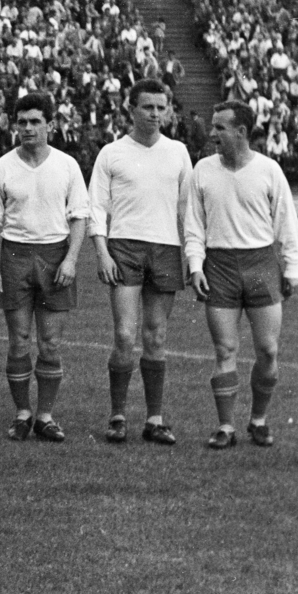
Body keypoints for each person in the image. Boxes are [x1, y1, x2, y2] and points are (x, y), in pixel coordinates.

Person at [185, 101, 298, 449]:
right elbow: (193, 225)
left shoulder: (268, 170)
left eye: (220, 127)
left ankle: (259, 420)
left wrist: (292, 266)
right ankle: (225, 426)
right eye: (213, 126)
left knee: (267, 350)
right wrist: (195, 265)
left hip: (260, 265)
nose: (212, 134)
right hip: (219, 266)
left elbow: (286, 221)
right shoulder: (203, 171)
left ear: (241, 132)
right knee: (225, 349)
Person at [0, 92, 88, 442]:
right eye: (22, 122)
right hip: (15, 256)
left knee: (51, 343)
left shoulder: (67, 165)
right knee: (18, 341)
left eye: (35, 121)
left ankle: (46, 415)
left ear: (50, 125)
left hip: (55, 255)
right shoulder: (2, 167)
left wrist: (71, 259)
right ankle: (22, 413)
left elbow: (79, 216)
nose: (28, 128)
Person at [88, 79, 192, 445]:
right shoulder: (112, 153)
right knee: (124, 335)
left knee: (156, 336)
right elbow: (96, 208)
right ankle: (117, 416)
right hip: (125, 247)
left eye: (161, 107)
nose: (155, 114)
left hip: (165, 247)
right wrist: (101, 251)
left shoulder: (178, 152)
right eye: (148, 107)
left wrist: (193, 256)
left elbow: (187, 212)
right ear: (131, 110)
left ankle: (155, 419)